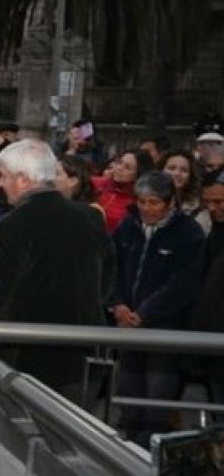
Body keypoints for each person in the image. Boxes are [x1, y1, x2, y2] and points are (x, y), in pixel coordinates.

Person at [0, 140, 110, 404]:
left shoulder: (12, 226)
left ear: (23, 180)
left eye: (4, 176)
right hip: (86, 352)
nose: (0, 184)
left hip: (32, 359)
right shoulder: (90, 217)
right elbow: (107, 281)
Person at [110, 172, 205, 447]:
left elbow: (184, 282)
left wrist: (147, 311)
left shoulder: (188, 234)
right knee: (129, 384)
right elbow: (112, 265)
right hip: (127, 322)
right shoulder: (128, 227)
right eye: (141, 201)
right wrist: (117, 303)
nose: (146, 208)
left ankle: (149, 442)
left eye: (153, 202)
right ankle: (126, 435)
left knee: (157, 391)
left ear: (169, 203)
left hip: (166, 328)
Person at [191, 174, 224, 416]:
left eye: (220, 202)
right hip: (211, 340)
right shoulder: (215, 233)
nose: (213, 208)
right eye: (208, 202)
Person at [94, 149, 154, 234]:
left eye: (128, 167)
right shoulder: (98, 183)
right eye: (119, 162)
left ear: (138, 174)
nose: (119, 168)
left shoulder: (139, 202)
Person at [160, 149, 211, 234]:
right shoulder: (146, 201)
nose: (177, 173)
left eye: (184, 170)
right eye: (171, 168)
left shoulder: (199, 210)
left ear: (190, 177)